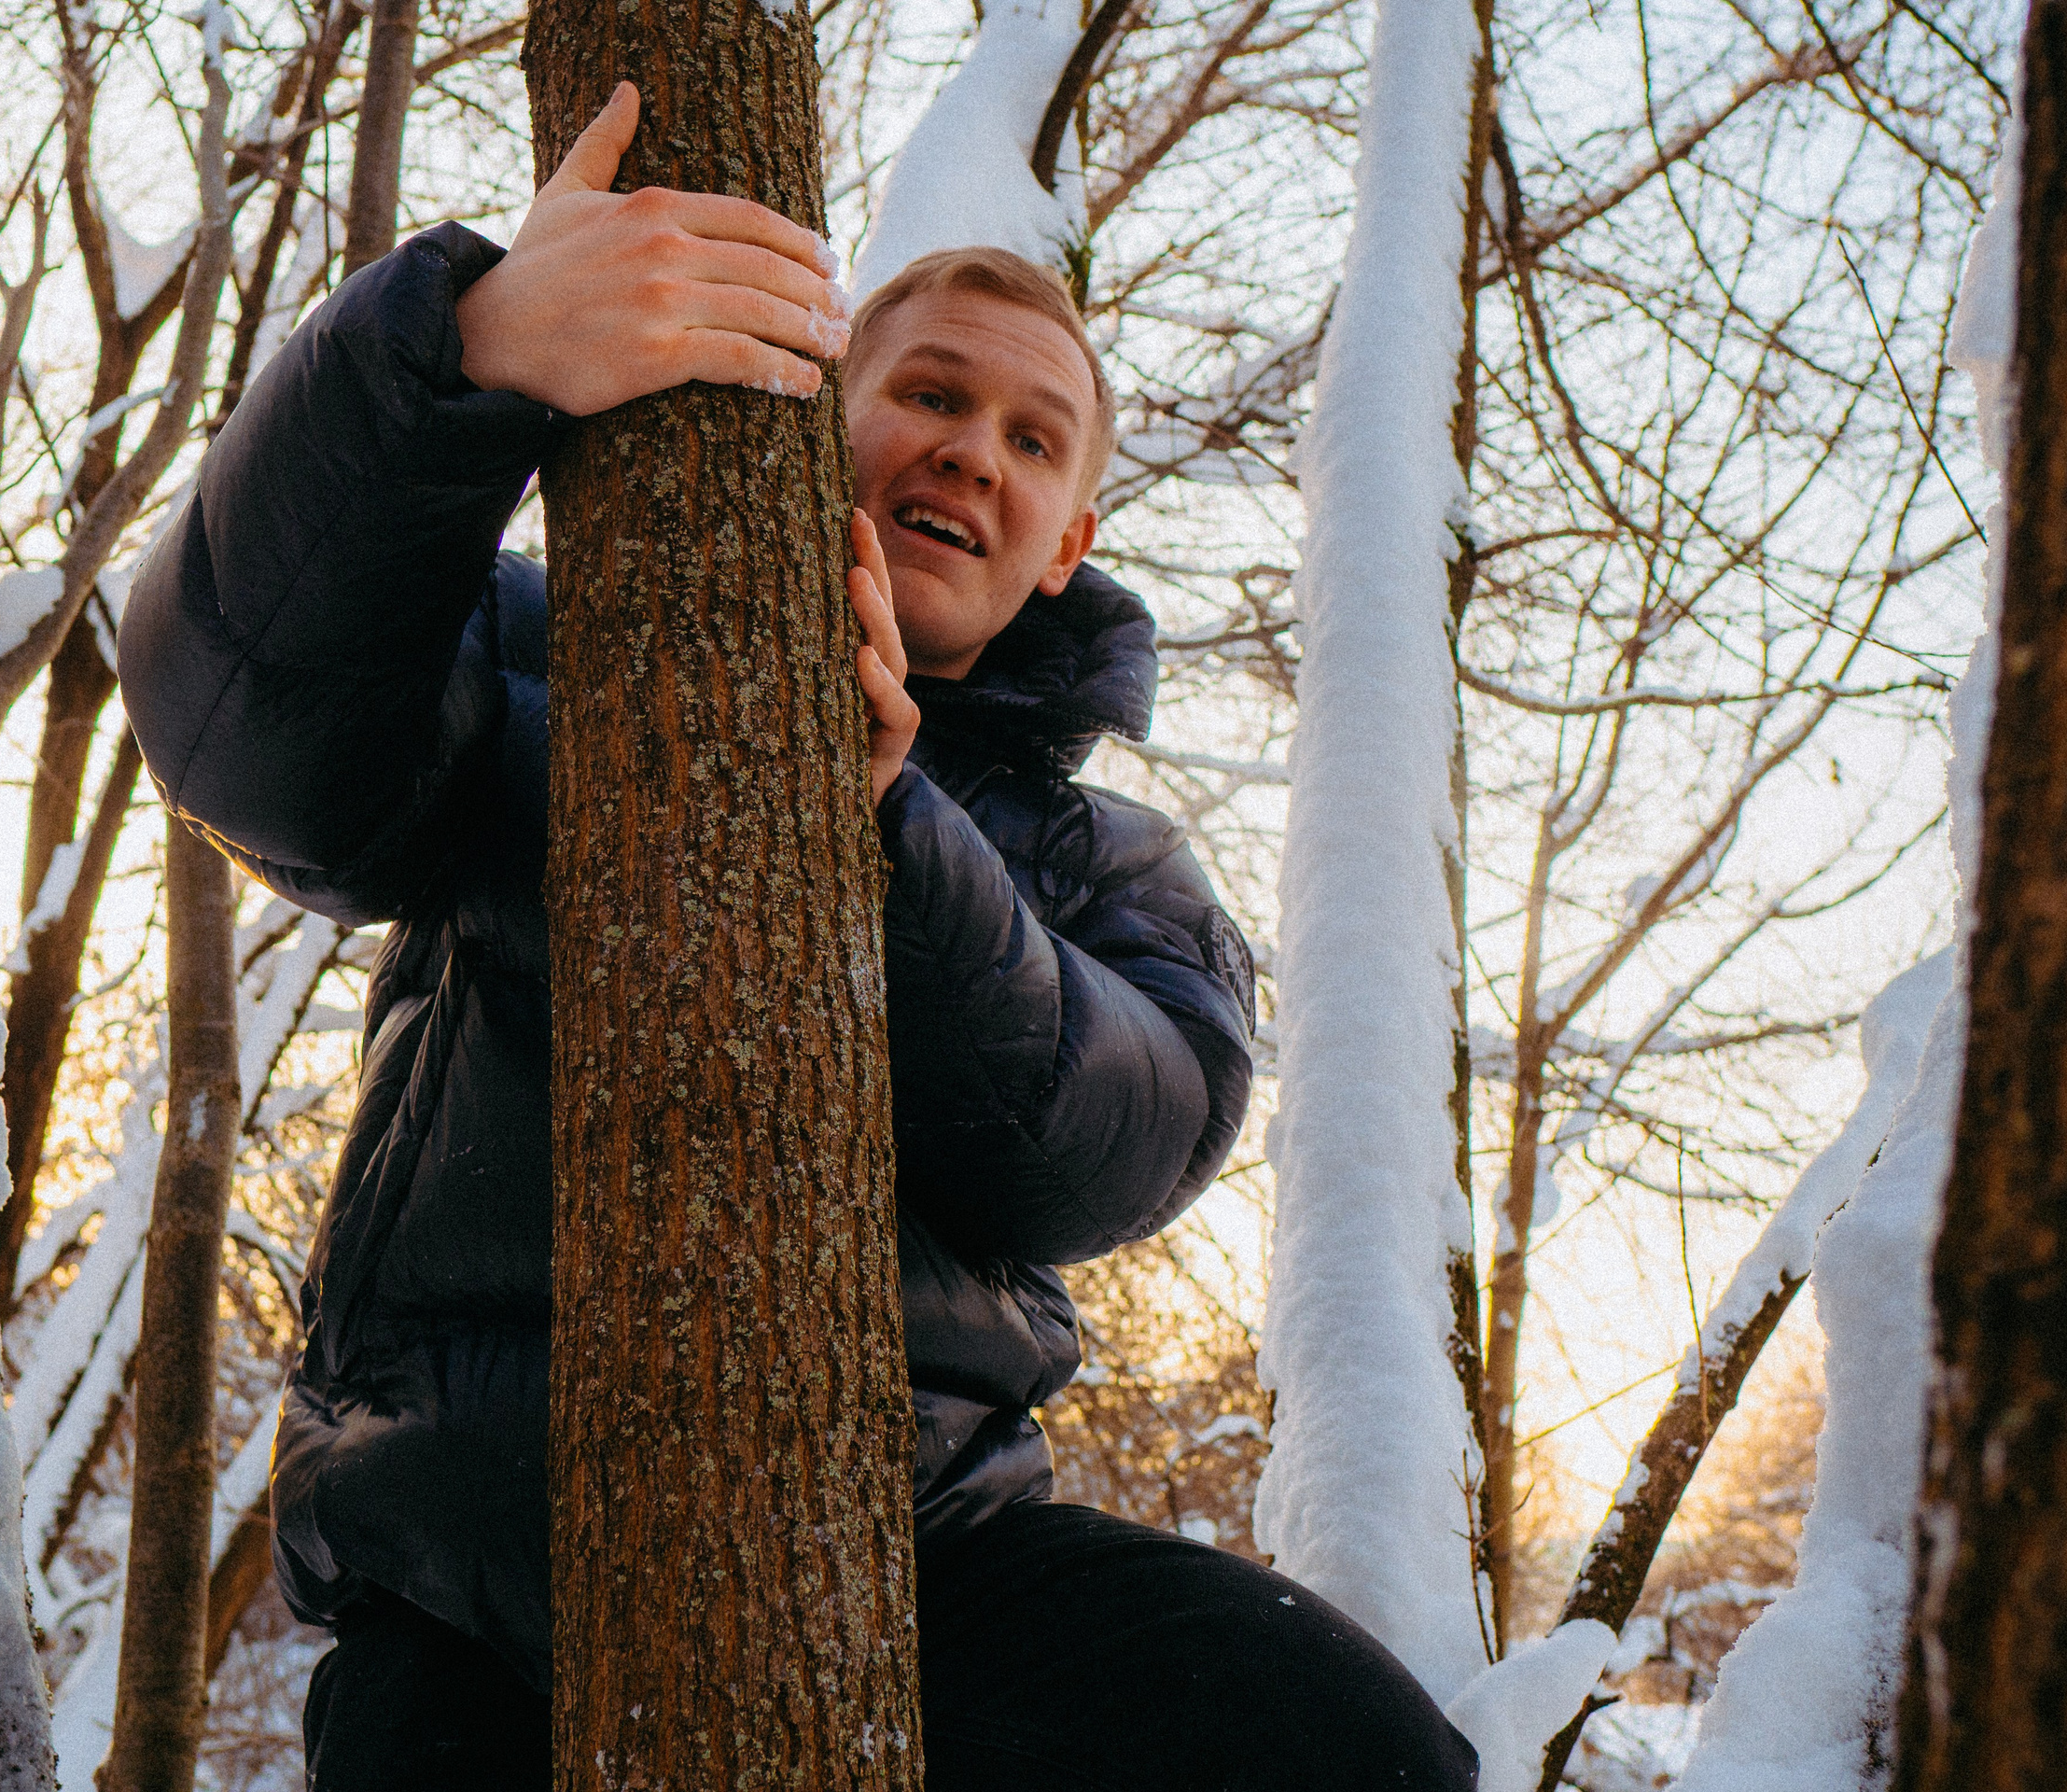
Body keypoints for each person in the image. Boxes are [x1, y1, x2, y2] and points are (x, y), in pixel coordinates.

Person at [120, 80, 1478, 1792]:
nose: (973, 448)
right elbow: (237, 714)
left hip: (916, 1559)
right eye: (927, 392)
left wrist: (891, 830)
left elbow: (1110, 1144)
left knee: (1358, 1755)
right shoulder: (551, 662)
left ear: (1065, 547)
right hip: (468, 1548)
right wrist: (457, 348)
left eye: (1032, 438)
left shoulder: (1106, 862)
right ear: (820, 412)